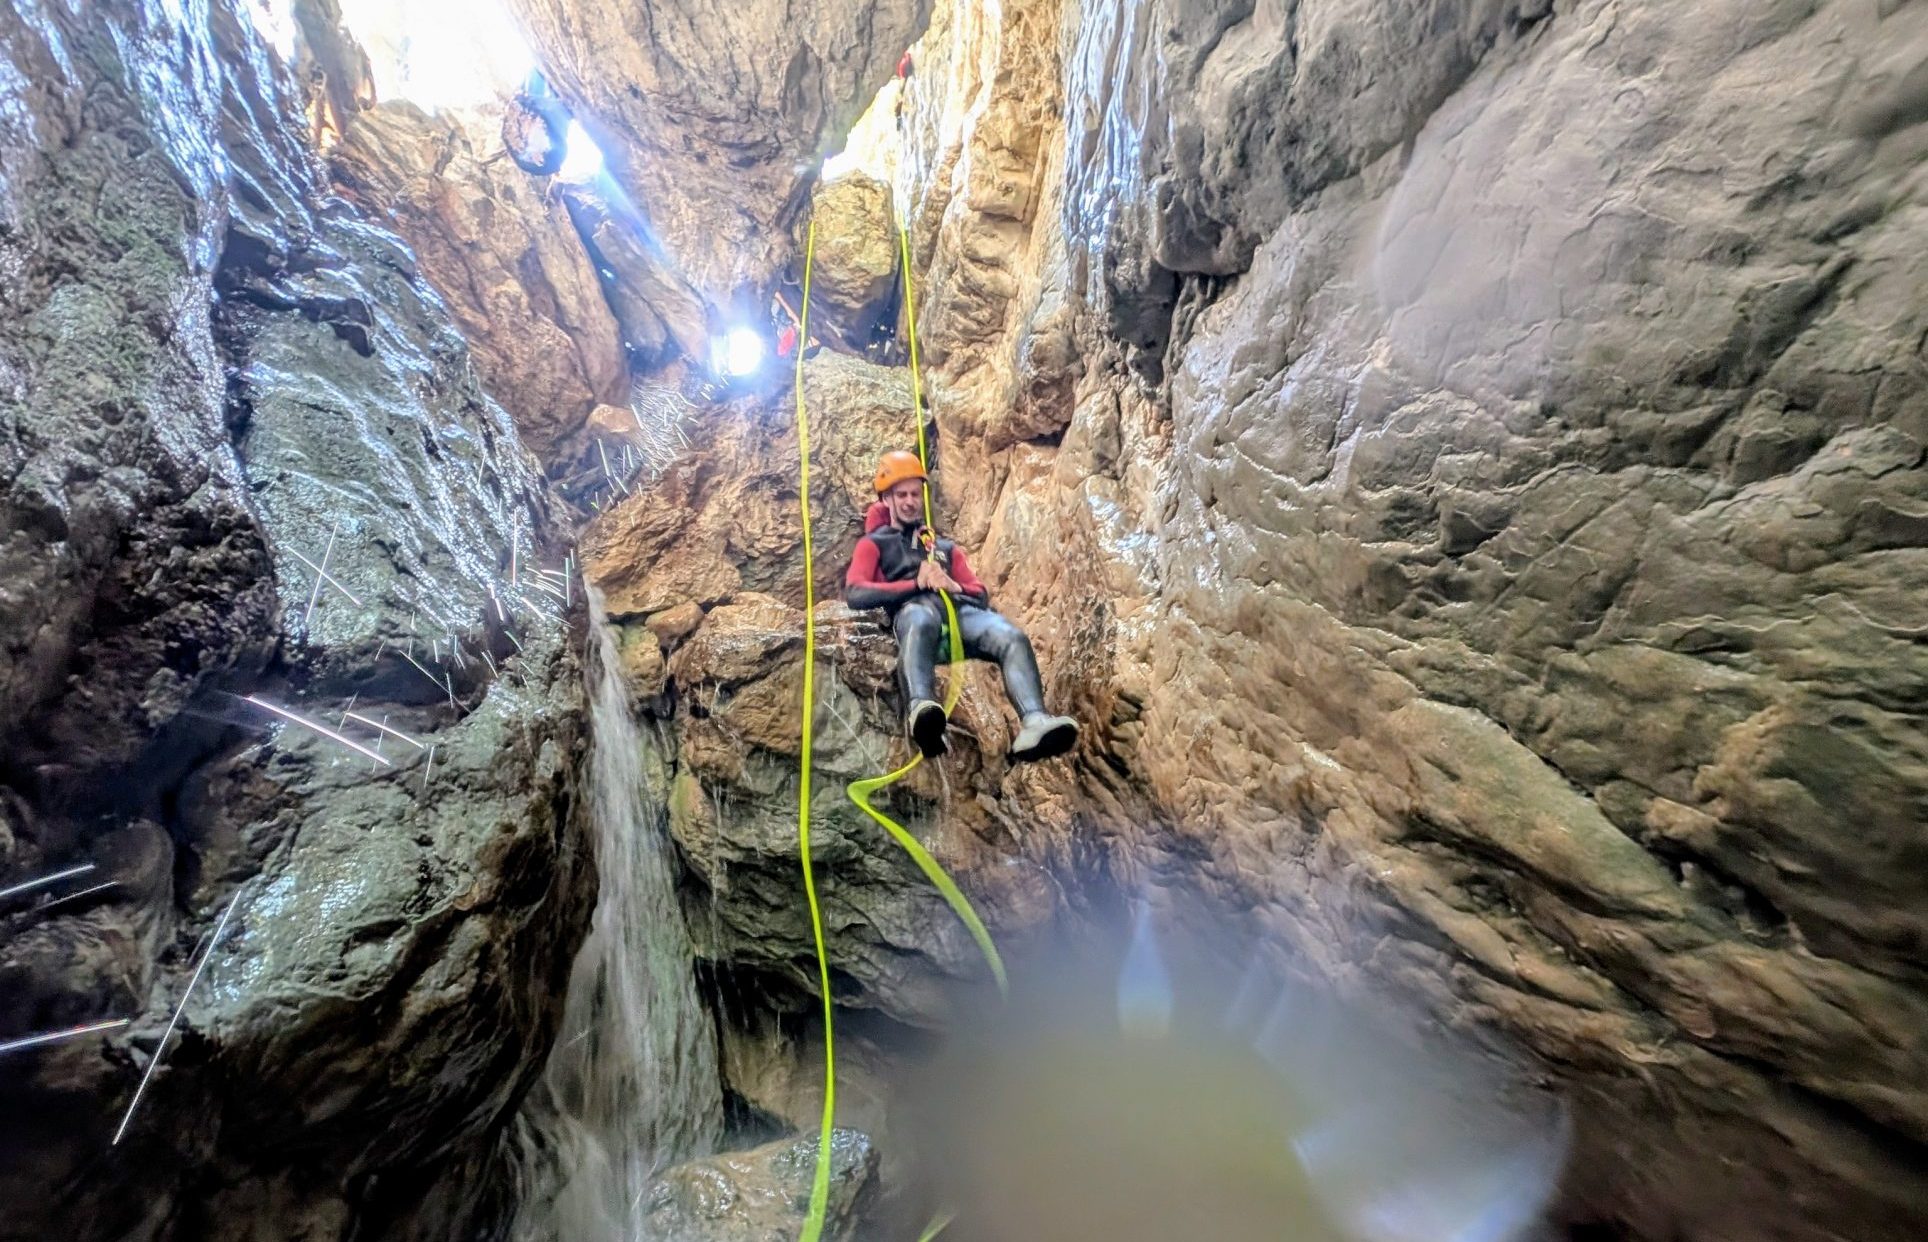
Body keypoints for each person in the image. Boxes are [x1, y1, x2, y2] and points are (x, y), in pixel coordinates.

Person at [844, 451, 1079, 763]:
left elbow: (979, 593)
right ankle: (922, 710)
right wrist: (916, 585)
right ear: (887, 498)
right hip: (913, 616)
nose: (910, 501)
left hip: (957, 616)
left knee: (1010, 636)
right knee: (920, 616)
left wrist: (952, 585)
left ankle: (1034, 721)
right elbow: (856, 592)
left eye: (915, 493)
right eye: (902, 494)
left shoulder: (942, 548)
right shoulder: (874, 544)